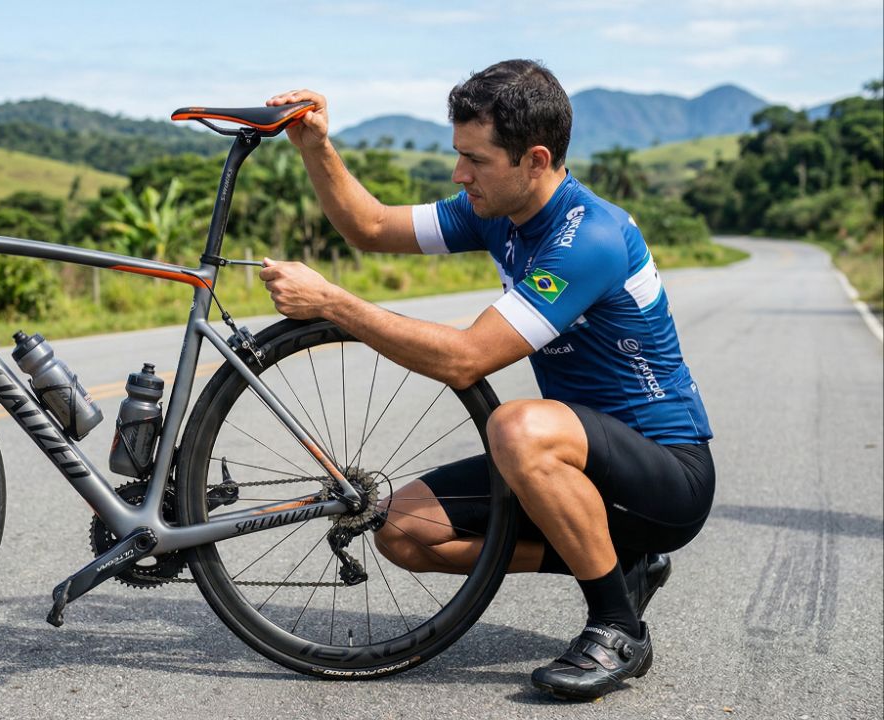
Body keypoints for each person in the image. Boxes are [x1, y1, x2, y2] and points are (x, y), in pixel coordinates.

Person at [258, 59, 714, 700]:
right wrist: (317, 148)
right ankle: (619, 565)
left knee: (517, 424)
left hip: (665, 476)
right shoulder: (494, 210)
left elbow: (466, 358)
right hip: (578, 467)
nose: (459, 173)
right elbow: (370, 227)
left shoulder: (591, 237)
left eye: (474, 158)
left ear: (534, 159)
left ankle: (617, 627)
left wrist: (335, 304)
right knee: (401, 529)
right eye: (457, 155)